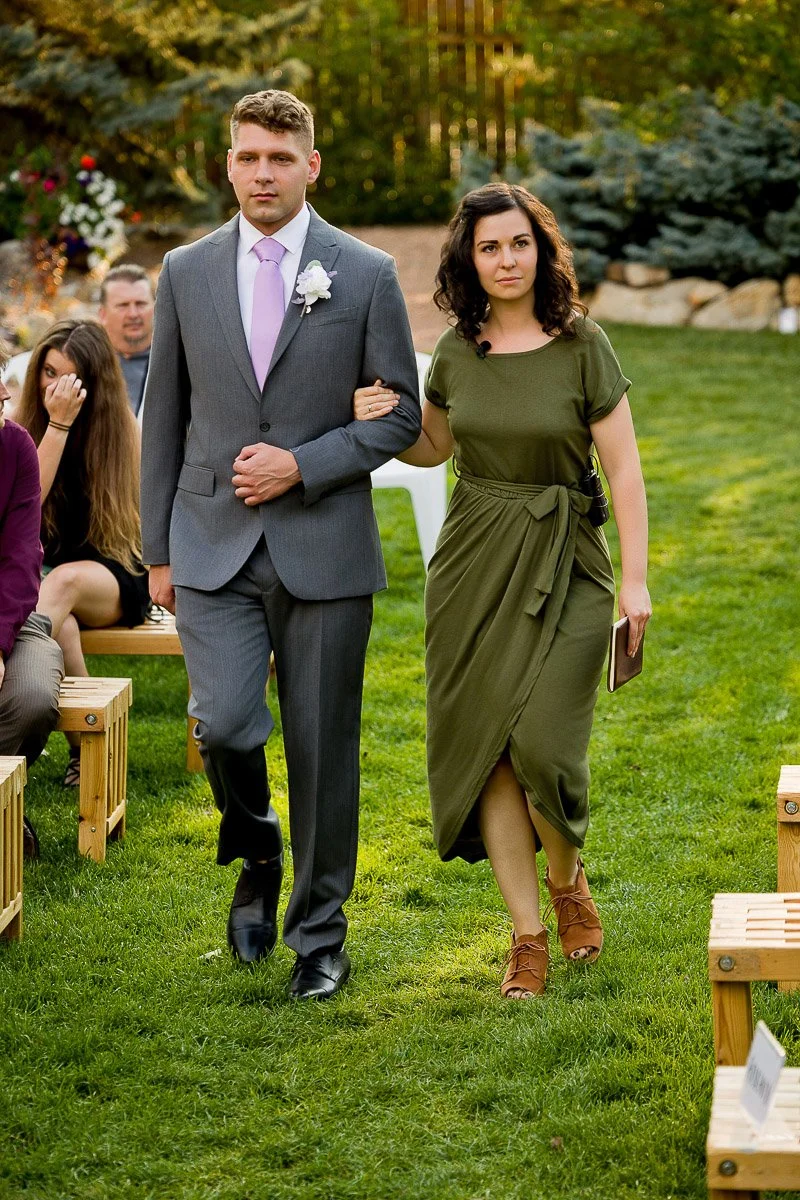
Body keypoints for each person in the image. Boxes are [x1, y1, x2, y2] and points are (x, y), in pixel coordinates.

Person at [140, 89, 421, 1000]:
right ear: (228, 164)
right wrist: (157, 551)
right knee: (222, 720)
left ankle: (320, 935)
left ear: (311, 167)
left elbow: (401, 417)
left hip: (324, 546)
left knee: (322, 747)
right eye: (249, 156)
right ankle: (256, 844)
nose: (263, 172)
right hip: (210, 540)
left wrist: (302, 465)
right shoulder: (183, 270)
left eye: (280, 157)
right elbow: (166, 418)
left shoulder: (366, 272)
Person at [354, 182, 652, 999]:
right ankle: (527, 937)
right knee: (490, 750)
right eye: (490, 247)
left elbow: (623, 469)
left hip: (568, 561)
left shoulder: (582, 344)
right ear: (470, 259)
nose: (506, 259)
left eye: (519, 243)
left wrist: (636, 579)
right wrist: (384, 414)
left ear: (540, 249)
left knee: (547, 747)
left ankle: (567, 884)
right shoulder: (457, 350)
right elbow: (434, 446)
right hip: (475, 562)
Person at [16, 319, 149, 787]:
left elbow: (130, 541)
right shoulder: (22, 427)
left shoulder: (121, 433)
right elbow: (24, 503)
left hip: (113, 576)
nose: (57, 387)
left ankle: (13, 699)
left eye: (70, 377)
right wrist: (54, 428)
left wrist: (63, 423)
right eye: (49, 373)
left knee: (64, 583)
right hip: (48, 584)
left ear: (94, 382)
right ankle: (85, 752)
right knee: (63, 624)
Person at [0, 340, 64, 857]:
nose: (5, 395)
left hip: (11, 620)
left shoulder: (15, 447)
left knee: (31, 698)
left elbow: (22, 559)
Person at [98, 264, 155, 417]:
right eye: (123, 305)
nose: (133, 314)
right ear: (102, 314)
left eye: (141, 304)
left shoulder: (179, 362)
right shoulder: (89, 363)